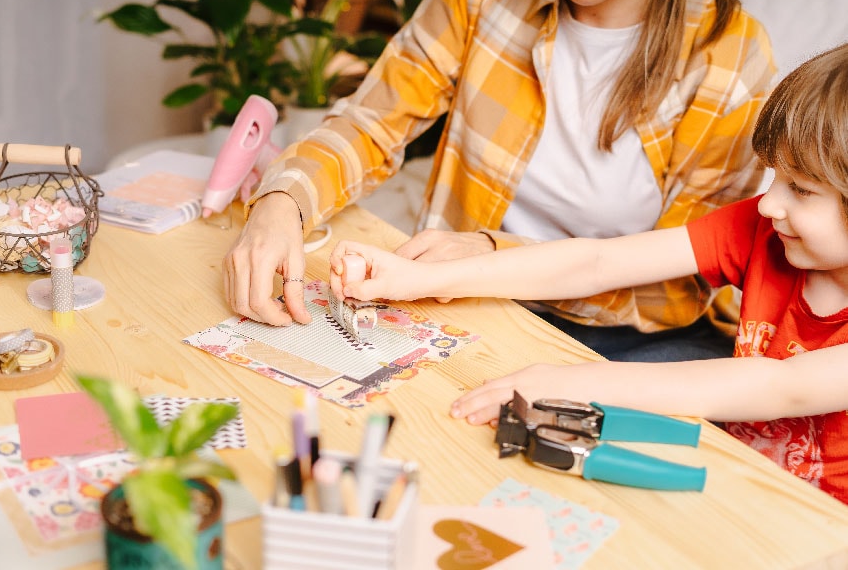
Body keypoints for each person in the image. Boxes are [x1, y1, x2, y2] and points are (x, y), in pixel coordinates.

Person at [328, 43, 848, 504]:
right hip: (739, 484)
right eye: (775, 178)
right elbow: (598, 262)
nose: (767, 205)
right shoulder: (768, 229)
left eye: (801, 189)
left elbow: (784, 386)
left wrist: (567, 380)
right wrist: (416, 281)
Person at [224, 0, 776, 362]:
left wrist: (492, 253)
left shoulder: (730, 56)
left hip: (629, 335)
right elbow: (373, 121)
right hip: (463, 297)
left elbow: (677, 281)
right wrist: (283, 202)